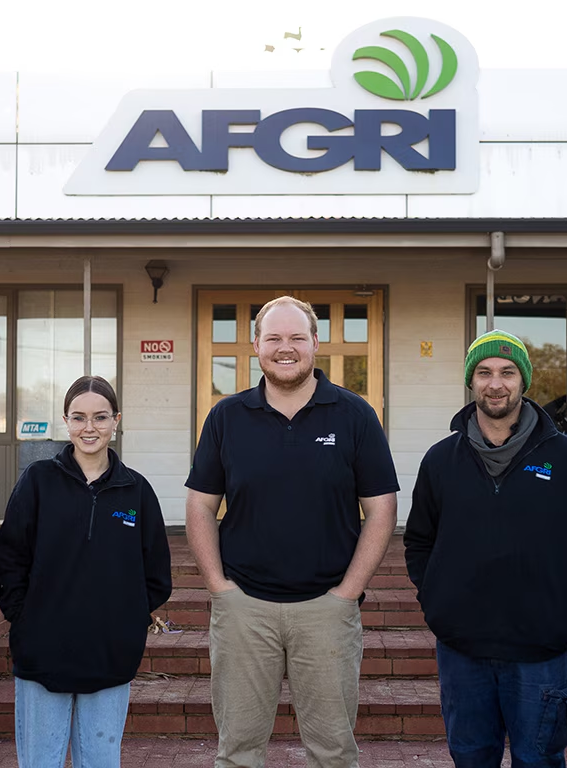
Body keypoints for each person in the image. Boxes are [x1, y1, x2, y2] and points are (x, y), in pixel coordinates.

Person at [185, 295, 400, 768]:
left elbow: (382, 509)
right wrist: (219, 589)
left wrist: (347, 594)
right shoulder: (226, 417)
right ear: (256, 345)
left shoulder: (354, 415)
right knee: (237, 754)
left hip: (327, 609)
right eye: (274, 338)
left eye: (297, 337)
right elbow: (200, 505)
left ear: (316, 343)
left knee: (333, 755)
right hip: (244, 610)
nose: (286, 348)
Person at [404, 329, 567, 768]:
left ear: (523, 381)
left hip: (539, 650)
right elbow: (419, 541)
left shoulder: (566, 457)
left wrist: (565, 609)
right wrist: (439, 600)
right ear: (471, 381)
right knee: (471, 758)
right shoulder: (440, 460)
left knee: (538, 760)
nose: (496, 384)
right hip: (462, 650)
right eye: (484, 372)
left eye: (507, 372)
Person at [0, 375, 172, 768]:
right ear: (66, 421)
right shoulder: (38, 481)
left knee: (101, 761)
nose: (89, 427)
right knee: (41, 762)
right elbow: (9, 556)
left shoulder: (136, 491)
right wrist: (24, 618)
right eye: (78, 417)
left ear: (116, 421)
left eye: (100, 417)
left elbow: (157, 575)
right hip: (42, 653)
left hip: (109, 655)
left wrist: (127, 624)